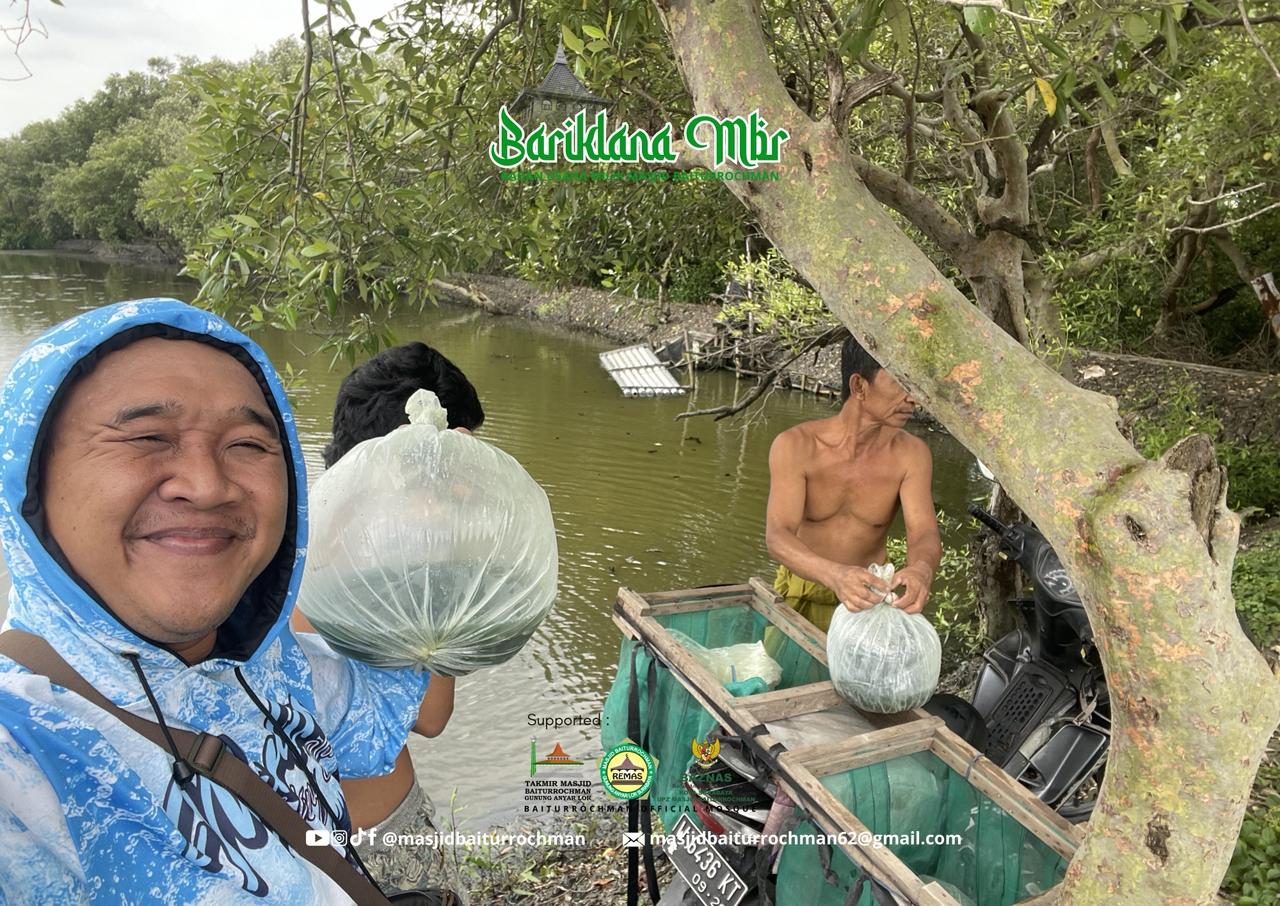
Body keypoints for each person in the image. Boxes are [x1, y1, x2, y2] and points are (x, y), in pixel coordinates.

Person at [0, 300, 445, 901]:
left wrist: (451, 528)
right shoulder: (22, 751)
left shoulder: (278, 666)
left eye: (247, 445)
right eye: (147, 436)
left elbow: (411, 708)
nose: (207, 485)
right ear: (29, 480)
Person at [292, 341, 484, 897]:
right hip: (383, 844)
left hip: (281, 843)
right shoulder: (397, 558)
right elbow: (429, 716)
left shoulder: (285, 530)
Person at [765, 333, 942, 634]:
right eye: (900, 383)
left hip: (869, 599)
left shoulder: (911, 455)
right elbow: (777, 536)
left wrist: (920, 570)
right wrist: (835, 576)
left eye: (914, 386)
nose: (913, 398)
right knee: (786, 677)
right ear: (859, 386)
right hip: (802, 592)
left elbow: (923, 531)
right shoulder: (796, 446)